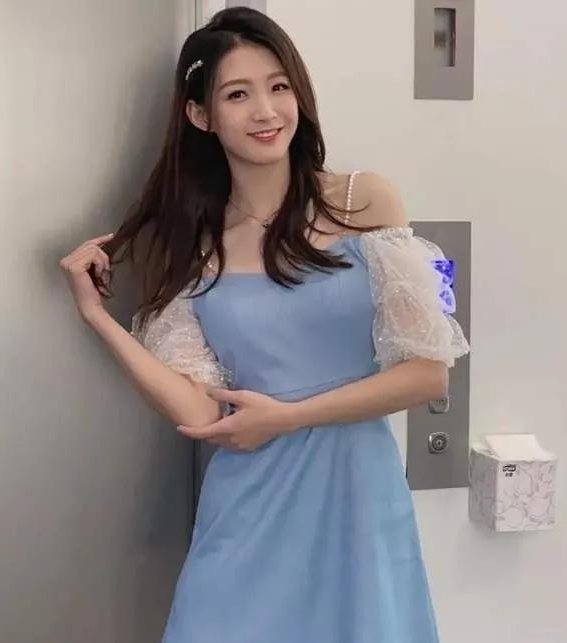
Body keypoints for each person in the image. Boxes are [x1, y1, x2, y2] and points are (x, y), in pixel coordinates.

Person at [60, 7, 469, 642]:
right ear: (201, 115)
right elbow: (199, 409)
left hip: (356, 501)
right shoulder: (194, 244)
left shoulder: (362, 200)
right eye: (238, 94)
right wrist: (97, 318)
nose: (266, 111)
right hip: (249, 505)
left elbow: (426, 375)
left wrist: (287, 416)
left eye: (279, 86)